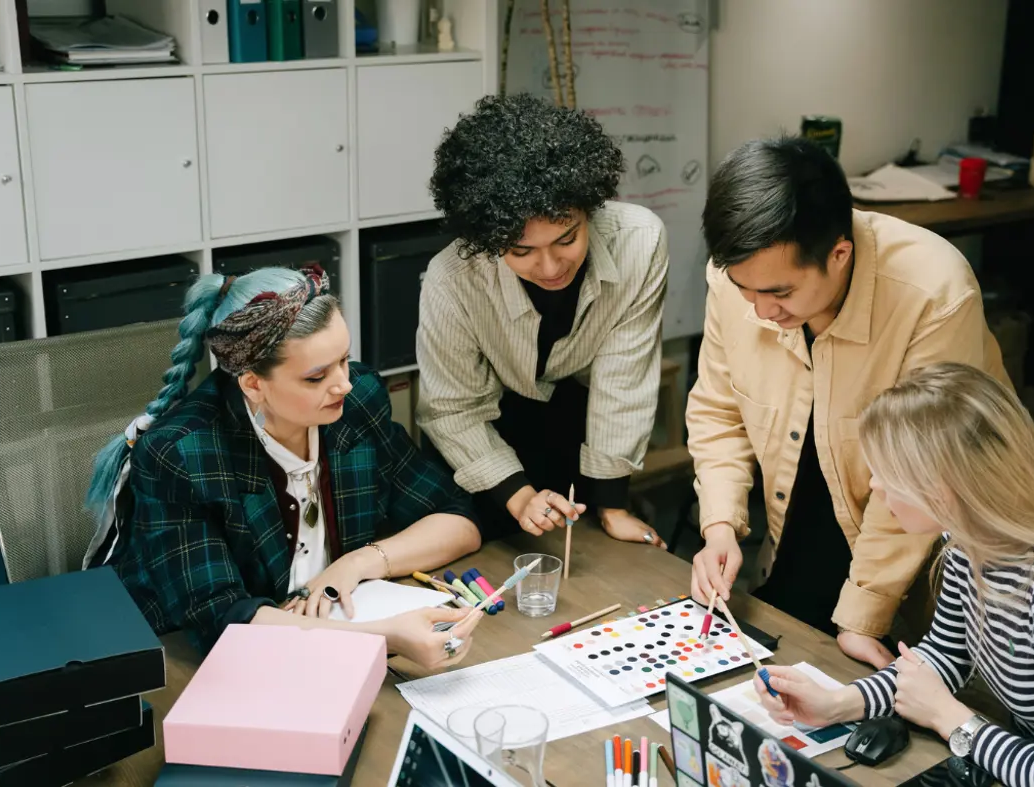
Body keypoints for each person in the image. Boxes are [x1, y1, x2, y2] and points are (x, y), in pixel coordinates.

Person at [754, 363, 1034, 787]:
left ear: (942, 485)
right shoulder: (968, 546)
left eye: (887, 473)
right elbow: (946, 655)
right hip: (1024, 759)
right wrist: (838, 704)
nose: (876, 487)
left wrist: (950, 717)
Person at [686, 136, 1009, 666]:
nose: (762, 310)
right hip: (797, 528)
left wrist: (865, 613)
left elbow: (922, 474)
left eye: (781, 294)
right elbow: (719, 410)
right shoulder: (738, 277)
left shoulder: (933, 293)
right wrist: (719, 523)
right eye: (747, 291)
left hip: (921, 558)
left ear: (839, 254)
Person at [84, 266, 483, 670]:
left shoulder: (356, 403)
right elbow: (224, 621)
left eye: (344, 359)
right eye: (316, 376)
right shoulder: (183, 454)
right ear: (253, 384)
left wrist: (357, 563)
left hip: (324, 638)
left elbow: (457, 519)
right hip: (193, 666)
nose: (343, 383)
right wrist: (386, 636)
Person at [417, 93, 669, 548]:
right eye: (521, 251)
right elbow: (453, 408)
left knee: (584, 556)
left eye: (567, 239)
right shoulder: (451, 279)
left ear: (590, 208)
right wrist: (518, 495)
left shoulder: (640, 242)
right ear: (489, 240)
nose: (551, 268)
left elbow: (623, 380)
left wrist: (612, 505)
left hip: (576, 418)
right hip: (481, 434)